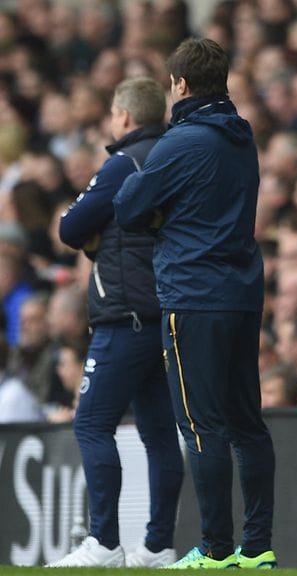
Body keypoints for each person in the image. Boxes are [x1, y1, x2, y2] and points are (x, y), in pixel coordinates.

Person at [112, 39, 276, 570]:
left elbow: (129, 208)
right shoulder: (241, 135)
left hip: (193, 295)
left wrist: (162, 215)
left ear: (179, 86)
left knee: (203, 425)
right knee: (247, 423)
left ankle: (215, 548)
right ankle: (257, 547)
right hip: (242, 292)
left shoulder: (180, 142)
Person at [50, 77, 184, 568]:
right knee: (158, 433)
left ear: (125, 116)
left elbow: (70, 228)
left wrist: (100, 233)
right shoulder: (174, 155)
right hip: (164, 314)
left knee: (91, 423)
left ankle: (104, 542)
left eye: (112, 113)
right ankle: (158, 546)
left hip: (123, 314)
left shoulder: (122, 162)